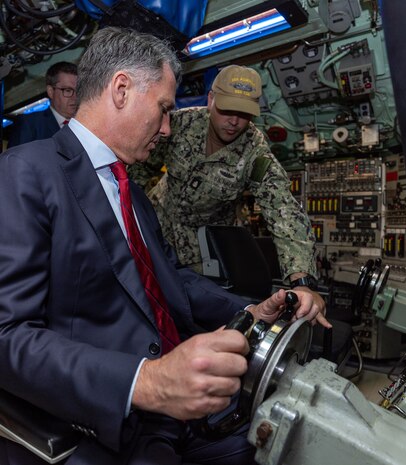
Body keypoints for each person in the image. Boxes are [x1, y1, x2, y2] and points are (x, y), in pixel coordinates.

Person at [0, 27, 329, 465]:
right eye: (164, 109)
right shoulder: (25, 172)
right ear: (121, 89)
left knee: (299, 435)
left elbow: (170, 278)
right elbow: (8, 337)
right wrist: (146, 382)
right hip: (111, 418)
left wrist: (248, 310)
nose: (169, 126)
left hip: (176, 409)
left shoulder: (131, 192)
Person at [128, 64, 323, 301]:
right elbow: (140, 168)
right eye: (227, 109)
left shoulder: (255, 154)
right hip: (154, 231)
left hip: (203, 254)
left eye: (243, 113)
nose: (234, 121)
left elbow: (285, 212)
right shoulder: (180, 126)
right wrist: (129, 213)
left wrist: (302, 282)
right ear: (211, 99)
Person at [7, 61, 77, 147]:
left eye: (79, 91)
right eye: (68, 90)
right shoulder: (30, 123)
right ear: (51, 91)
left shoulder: (85, 126)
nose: (75, 97)